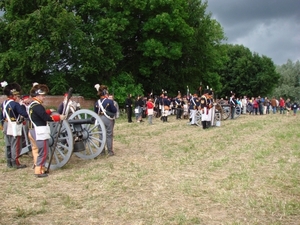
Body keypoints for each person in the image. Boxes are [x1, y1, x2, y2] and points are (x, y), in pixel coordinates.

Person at [28, 84, 66, 177]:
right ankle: (39, 171)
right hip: (39, 131)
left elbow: (39, 115)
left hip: (32, 130)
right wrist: (59, 117)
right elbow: (45, 117)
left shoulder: (32, 105)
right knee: (43, 151)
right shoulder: (38, 106)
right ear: (37, 96)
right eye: (42, 95)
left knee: (37, 150)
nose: (43, 97)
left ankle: (38, 167)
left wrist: (48, 111)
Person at [2, 82, 28, 169]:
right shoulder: (15, 104)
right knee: (16, 145)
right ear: (14, 96)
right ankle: (15, 162)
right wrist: (22, 105)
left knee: (8, 144)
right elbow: (24, 114)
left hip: (6, 125)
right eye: (17, 95)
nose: (18, 97)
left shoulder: (4, 103)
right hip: (13, 126)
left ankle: (9, 162)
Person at [94, 84, 117, 156]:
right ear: (105, 93)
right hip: (107, 119)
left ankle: (102, 152)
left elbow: (95, 112)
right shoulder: (109, 101)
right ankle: (110, 151)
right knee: (109, 135)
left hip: (100, 119)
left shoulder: (97, 102)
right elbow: (114, 110)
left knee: (101, 135)